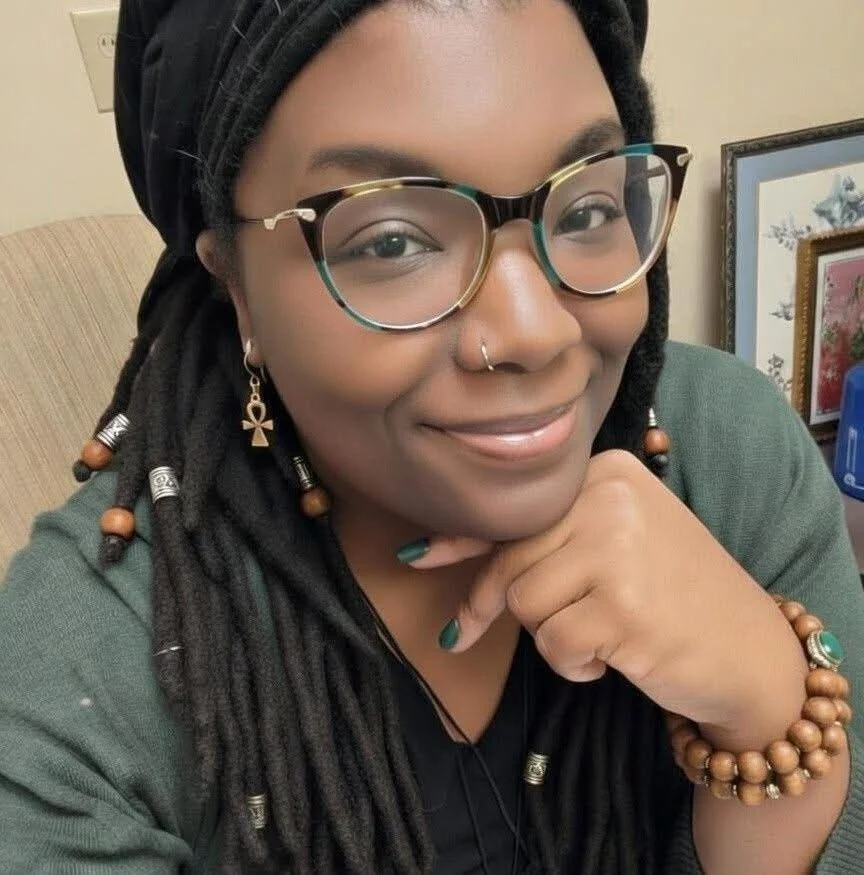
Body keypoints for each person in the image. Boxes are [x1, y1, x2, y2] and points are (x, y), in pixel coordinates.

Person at [1, 0, 862, 872]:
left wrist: (771, 713)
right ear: (240, 288)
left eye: (588, 208)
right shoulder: (80, 669)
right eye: (394, 238)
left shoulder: (732, 456)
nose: (535, 332)